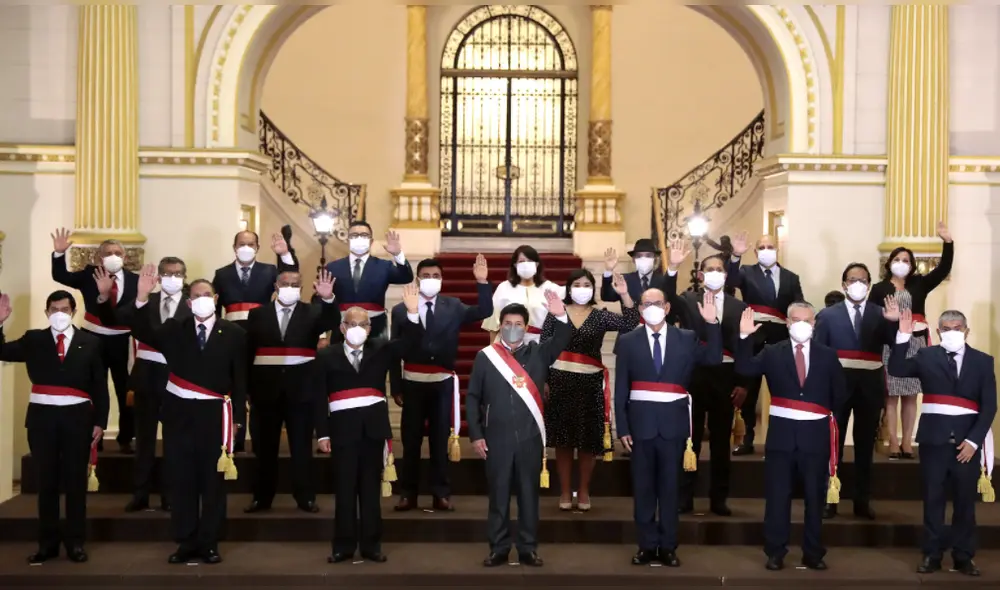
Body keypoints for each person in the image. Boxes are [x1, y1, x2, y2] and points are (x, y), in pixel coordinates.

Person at [127, 266, 248, 565]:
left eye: (207, 294)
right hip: (179, 415)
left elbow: (241, 380)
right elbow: (142, 332)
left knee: (212, 482)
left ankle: (209, 542)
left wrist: (239, 422)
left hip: (215, 417)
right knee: (181, 480)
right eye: (195, 296)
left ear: (216, 298)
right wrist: (142, 297)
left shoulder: (235, 334)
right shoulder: (174, 329)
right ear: (188, 301)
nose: (201, 299)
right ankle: (185, 541)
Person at [734, 303, 848, 571]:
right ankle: (775, 552)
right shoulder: (772, 352)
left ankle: (813, 553)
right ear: (787, 323)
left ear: (814, 324)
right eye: (796, 320)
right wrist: (743, 338)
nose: (801, 324)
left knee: (814, 497)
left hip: (815, 436)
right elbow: (744, 369)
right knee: (777, 497)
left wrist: (822, 420)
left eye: (806, 320)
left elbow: (840, 395)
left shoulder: (828, 355)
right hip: (782, 437)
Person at [315, 284, 422, 564]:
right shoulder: (326, 355)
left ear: (369, 327)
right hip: (341, 431)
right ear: (342, 328)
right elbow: (318, 398)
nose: (357, 328)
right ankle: (343, 546)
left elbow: (411, 343)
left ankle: (372, 546)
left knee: (371, 491)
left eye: (363, 324)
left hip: (373, 430)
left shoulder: (381, 349)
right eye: (352, 323)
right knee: (345, 490)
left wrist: (413, 313)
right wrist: (322, 435)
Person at [614, 288, 722, 567]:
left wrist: (712, 324)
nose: (652, 307)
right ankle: (647, 545)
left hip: (674, 426)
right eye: (646, 303)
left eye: (657, 303)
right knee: (644, 488)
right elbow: (621, 388)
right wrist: (622, 427)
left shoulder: (685, 338)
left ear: (667, 306)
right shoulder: (627, 341)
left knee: (670, 489)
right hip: (640, 426)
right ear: (639, 308)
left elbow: (713, 358)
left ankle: (669, 546)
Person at [0, 290, 108, 564]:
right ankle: (47, 545)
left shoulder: (90, 342)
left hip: (78, 420)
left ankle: (75, 543)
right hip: (42, 421)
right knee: (46, 484)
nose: (59, 313)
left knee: (75, 484)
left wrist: (100, 422)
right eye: (54, 308)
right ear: (47, 312)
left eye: (64, 308)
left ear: (72, 311)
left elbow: (100, 386)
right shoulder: (34, 339)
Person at [467, 295, 573, 567]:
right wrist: (477, 434)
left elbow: (563, 337)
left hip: (529, 438)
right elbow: (473, 397)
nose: (512, 327)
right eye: (507, 323)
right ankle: (498, 548)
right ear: (500, 326)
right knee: (498, 496)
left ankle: (527, 548)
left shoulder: (539, 353)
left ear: (526, 328)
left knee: (528, 496)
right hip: (496, 438)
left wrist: (560, 315)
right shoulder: (485, 357)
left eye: (518, 324)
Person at [889, 309, 996, 577]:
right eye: (946, 328)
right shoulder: (926, 356)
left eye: (957, 327)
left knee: (964, 502)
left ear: (966, 330)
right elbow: (897, 368)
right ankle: (932, 555)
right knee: (933, 499)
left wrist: (974, 440)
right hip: (933, 440)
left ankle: (963, 557)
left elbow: (990, 406)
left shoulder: (983, 361)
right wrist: (903, 335)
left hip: (967, 443)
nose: (952, 332)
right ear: (938, 333)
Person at [391, 255, 493, 512]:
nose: (431, 280)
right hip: (412, 381)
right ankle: (408, 493)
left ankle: (440, 493)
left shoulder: (454, 306)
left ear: (442, 280)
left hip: (442, 383)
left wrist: (482, 282)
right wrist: (396, 386)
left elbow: (484, 312)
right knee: (411, 441)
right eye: (426, 276)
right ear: (417, 279)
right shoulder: (401, 309)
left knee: (439, 440)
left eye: (436, 276)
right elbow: (394, 351)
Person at [95, 257, 189, 513]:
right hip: (146, 377)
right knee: (144, 440)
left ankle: (171, 495)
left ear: (185, 277)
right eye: (168, 273)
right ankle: (141, 494)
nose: (173, 277)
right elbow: (113, 319)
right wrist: (110, 296)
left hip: (177, 379)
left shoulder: (193, 305)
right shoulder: (146, 300)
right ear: (158, 276)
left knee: (174, 442)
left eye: (178, 273)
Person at [243, 270, 340, 514]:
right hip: (265, 392)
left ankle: (305, 496)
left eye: (295, 284)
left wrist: (328, 300)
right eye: (285, 283)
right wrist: (246, 389)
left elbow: (331, 321)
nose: (289, 287)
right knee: (264, 449)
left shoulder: (313, 311)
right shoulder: (257, 314)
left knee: (301, 449)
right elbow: (247, 352)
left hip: (302, 390)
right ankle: (261, 498)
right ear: (276, 285)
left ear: (302, 287)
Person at [546, 269, 639, 511]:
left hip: (589, 383)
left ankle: (584, 490)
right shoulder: (556, 313)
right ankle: (566, 491)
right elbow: (545, 349)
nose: (582, 288)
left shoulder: (599, 316)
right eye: (577, 283)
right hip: (559, 381)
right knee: (564, 442)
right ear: (569, 288)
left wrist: (625, 295)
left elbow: (631, 323)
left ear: (593, 289)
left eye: (587, 284)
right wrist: (543, 380)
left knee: (588, 442)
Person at [814, 263, 899, 520]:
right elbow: (819, 354)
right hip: (837, 386)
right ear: (843, 284)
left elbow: (895, 345)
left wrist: (894, 323)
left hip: (870, 387)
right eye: (852, 279)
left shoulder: (881, 313)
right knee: (833, 446)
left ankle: (862, 501)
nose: (857, 284)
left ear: (869, 285)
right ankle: (831, 499)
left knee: (864, 447)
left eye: (862, 280)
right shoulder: (827, 316)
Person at [870, 221, 954, 459]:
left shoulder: (920, 283)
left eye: (906, 260)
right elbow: (873, 318)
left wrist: (947, 242)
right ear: (889, 263)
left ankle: (908, 441)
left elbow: (943, 268)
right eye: (897, 259)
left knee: (911, 394)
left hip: (917, 342)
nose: (901, 264)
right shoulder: (879, 288)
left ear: (912, 265)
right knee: (891, 395)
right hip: (891, 343)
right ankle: (893, 441)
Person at [675, 255, 750, 516]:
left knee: (721, 442)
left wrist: (743, 382)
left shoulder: (738, 306)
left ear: (726, 275)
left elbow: (744, 347)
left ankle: (719, 498)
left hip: (726, 376)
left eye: (720, 269)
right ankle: (685, 496)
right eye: (710, 269)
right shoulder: (687, 301)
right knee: (690, 440)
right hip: (694, 375)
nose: (715, 273)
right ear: (700, 274)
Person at [50, 228, 137, 453]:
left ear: (125, 257)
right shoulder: (89, 275)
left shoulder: (136, 281)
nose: (113, 256)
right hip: (92, 338)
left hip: (122, 340)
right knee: (94, 387)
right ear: (99, 257)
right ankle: (93, 438)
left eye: (118, 252)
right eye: (108, 252)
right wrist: (59, 254)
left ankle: (126, 437)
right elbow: (62, 276)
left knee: (125, 388)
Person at [212, 229, 298, 453]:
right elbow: (214, 308)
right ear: (234, 247)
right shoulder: (221, 274)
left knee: (258, 388)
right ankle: (235, 438)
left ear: (258, 248)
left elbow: (290, 278)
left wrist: (285, 254)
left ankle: (260, 440)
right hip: (230, 335)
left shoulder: (269, 270)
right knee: (235, 385)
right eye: (242, 243)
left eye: (251, 243)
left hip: (262, 335)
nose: (246, 247)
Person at [726, 231, 804, 456]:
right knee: (749, 390)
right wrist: (735, 257)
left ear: (777, 249)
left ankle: (781, 439)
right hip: (753, 335)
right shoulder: (745, 272)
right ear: (755, 251)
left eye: (770, 246)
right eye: (762, 247)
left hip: (780, 337)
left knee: (782, 387)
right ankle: (748, 437)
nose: (766, 250)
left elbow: (798, 303)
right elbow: (730, 282)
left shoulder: (791, 277)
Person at [325, 222, 413, 339]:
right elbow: (321, 301)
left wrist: (398, 254)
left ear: (371, 241)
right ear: (348, 240)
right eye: (355, 235)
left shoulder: (383, 266)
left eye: (364, 235)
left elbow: (406, 277)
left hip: (375, 329)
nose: (359, 238)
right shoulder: (333, 267)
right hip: (343, 329)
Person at [481, 245, 565, 344]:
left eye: (530, 261)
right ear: (515, 265)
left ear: (537, 264)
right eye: (521, 261)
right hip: (508, 344)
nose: (526, 264)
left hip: (540, 345)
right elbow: (493, 324)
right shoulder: (504, 288)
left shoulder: (550, 288)